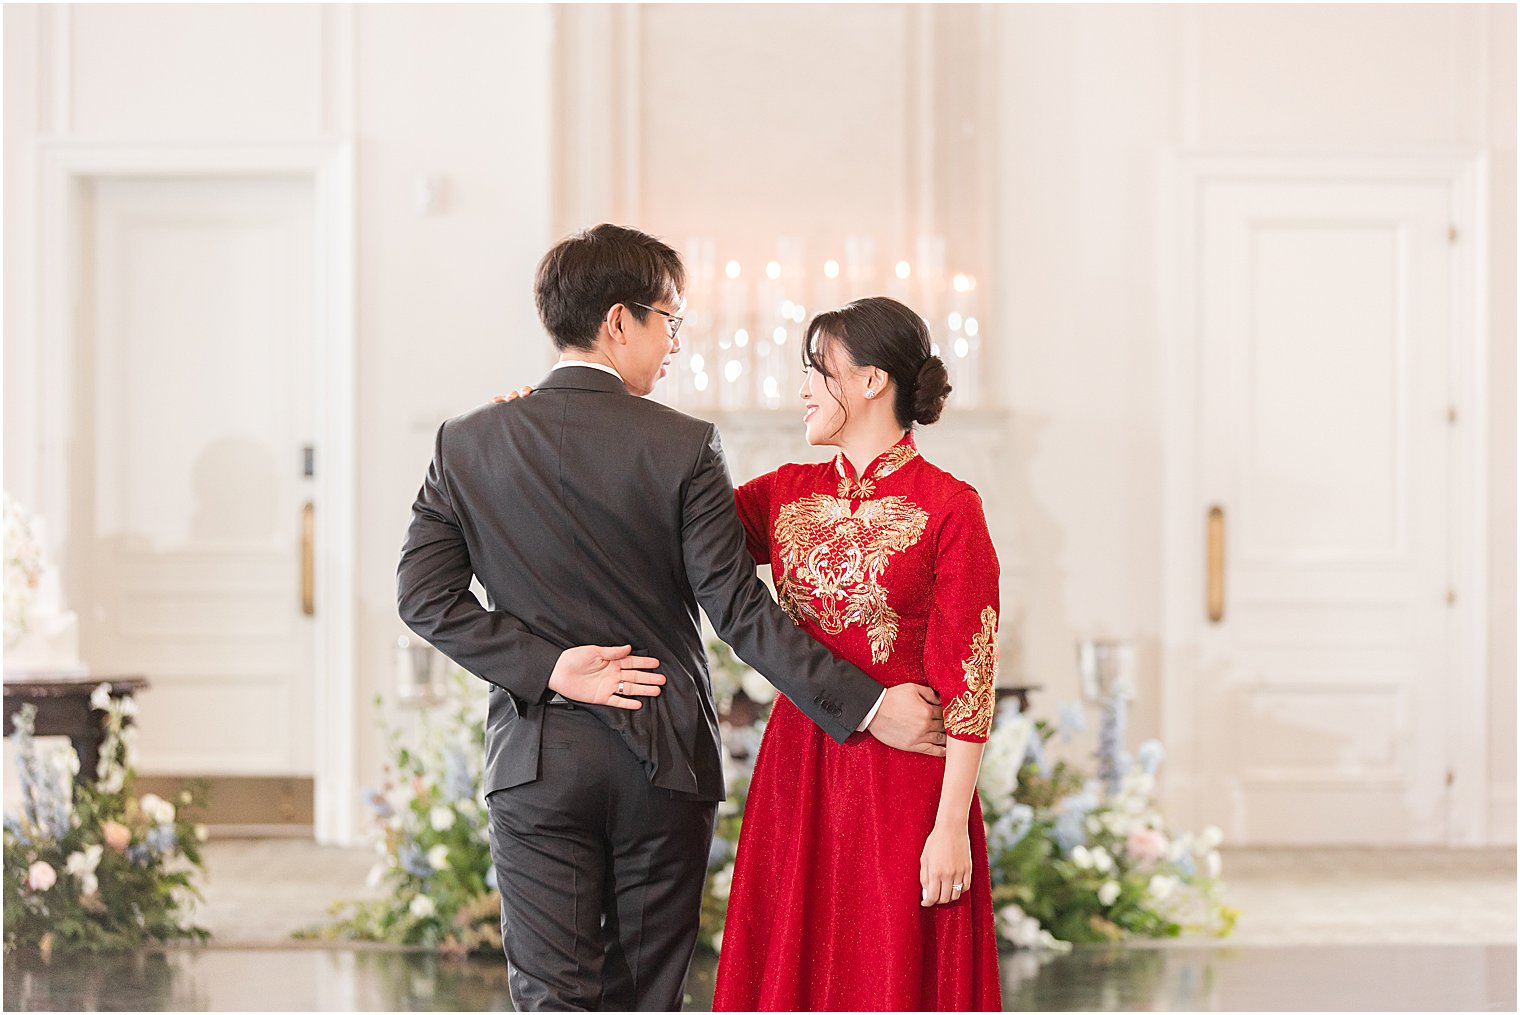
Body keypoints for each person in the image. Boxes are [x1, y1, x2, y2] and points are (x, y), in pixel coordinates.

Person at [396, 225, 946, 1012]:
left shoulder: (469, 442)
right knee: (650, 998)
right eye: (671, 321)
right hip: (665, 764)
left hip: (535, 760)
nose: (677, 344)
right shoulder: (683, 445)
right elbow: (740, 611)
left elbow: (423, 597)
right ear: (620, 321)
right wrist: (868, 703)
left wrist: (549, 667)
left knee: (554, 997)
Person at [711, 296, 1003, 1011]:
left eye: (819, 368)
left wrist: (949, 830)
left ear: (872, 380)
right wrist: (554, 419)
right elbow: (671, 519)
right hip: (797, 773)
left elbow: (970, 685)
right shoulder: (783, 494)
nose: (804, 387)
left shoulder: (948, 506)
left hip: (904, 786)